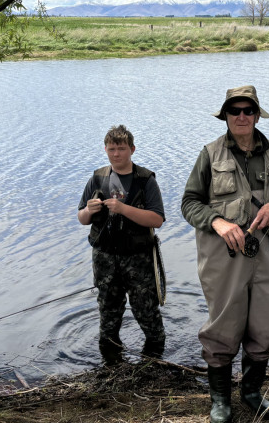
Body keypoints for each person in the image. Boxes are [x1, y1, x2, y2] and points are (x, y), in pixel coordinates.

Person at [182, 85, 269, 423]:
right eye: (234, 110)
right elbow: (189, 203)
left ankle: (251, 393)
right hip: (224, 258)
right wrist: (218, 222)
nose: (241, 116)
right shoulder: (209, 154)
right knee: (222, 327)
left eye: (247, 110)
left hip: (268, 254)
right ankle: (220, 401)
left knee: (266, 325)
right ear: (225, 115)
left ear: (256, 114)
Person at [78, 125, 166, 363]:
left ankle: (155, 361)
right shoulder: (97, 178)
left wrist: (123, 209)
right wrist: (89, 209)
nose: (116, 154)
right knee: (108, 310)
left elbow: (157, 219)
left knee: (146, 311)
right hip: (104, 257)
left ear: (132, 150)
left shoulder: (145, 180)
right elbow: (82, 219)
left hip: (138, 257)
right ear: (105, 150)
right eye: (112, 149)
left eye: (121, 149)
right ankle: (110, 362)